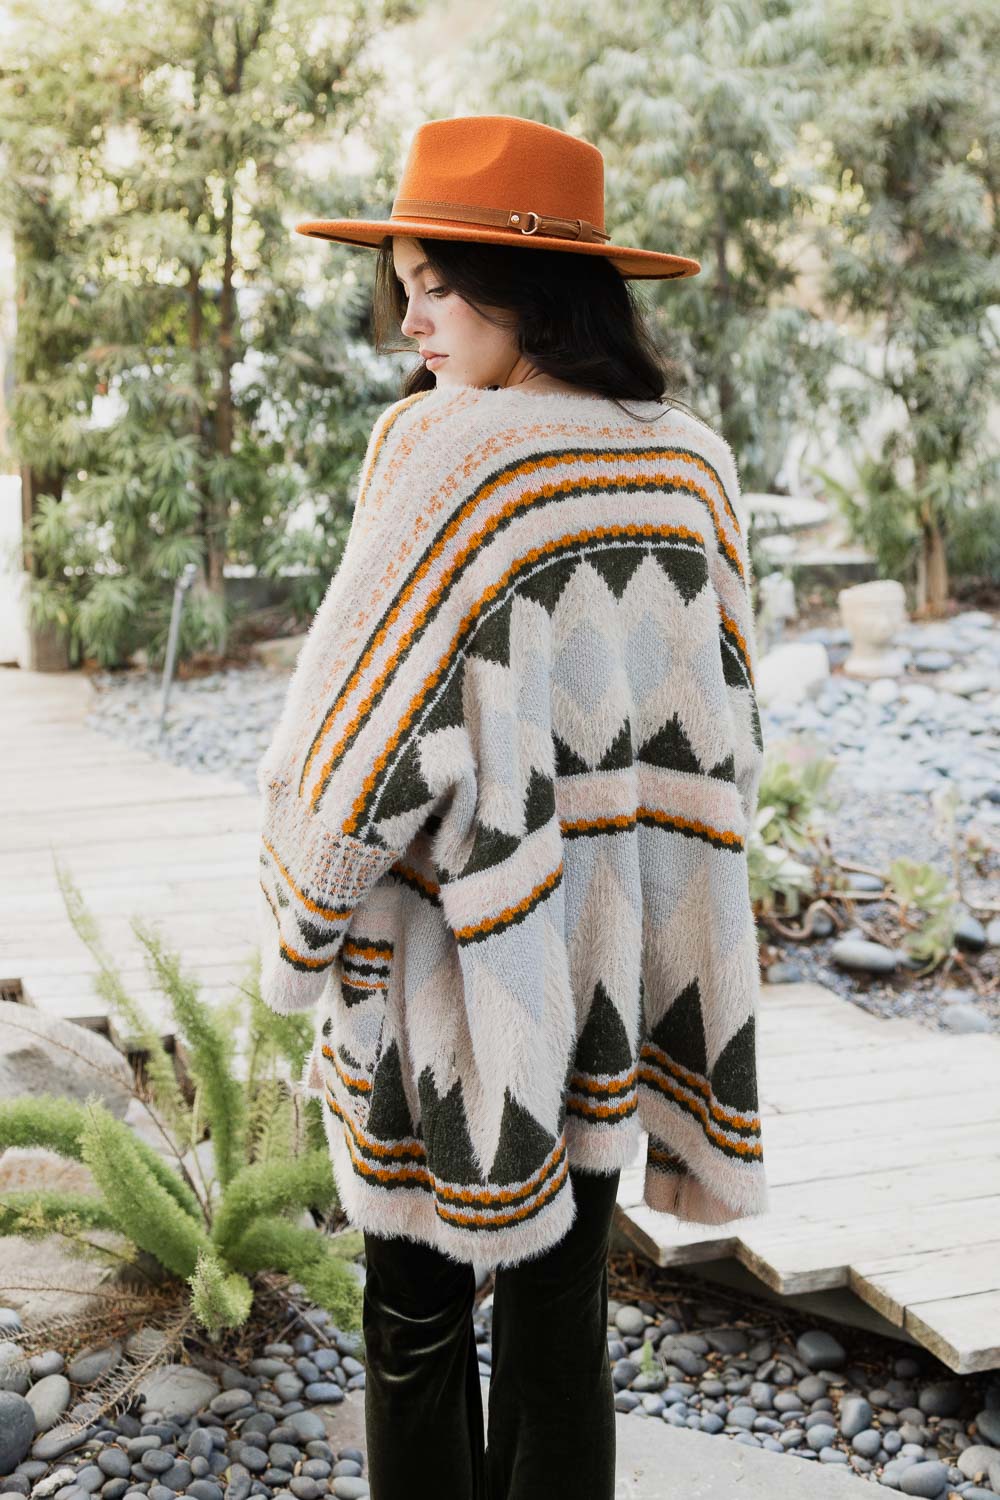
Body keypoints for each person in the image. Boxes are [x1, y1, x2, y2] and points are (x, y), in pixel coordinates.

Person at [257, 114, 769, 1500]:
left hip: (456, 964)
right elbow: (731, 727)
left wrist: (298, 930)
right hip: (613, 953)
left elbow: (354, 741)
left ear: (528, 288)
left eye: (436, 285)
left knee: (416, 1319)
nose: (410, 320)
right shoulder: (693, 460)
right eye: (402, 286)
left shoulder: (443, 452)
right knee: (562, 1323)